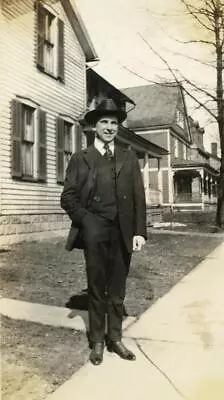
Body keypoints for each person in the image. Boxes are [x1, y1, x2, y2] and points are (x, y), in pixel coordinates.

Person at [61, 98, 146, 366]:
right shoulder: (80, 158)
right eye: (104, 122)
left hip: (123, 231)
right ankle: (97, 342)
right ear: (94, 126)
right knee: (97, 288)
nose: (109, 127)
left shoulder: (128, 156)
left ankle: (116, 338)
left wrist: (139, 232)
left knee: (118, 289)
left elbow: (138, 197)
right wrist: (86, 221)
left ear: (118, 127)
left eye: (113, 123)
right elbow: (68, 197)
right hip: (94, 231)